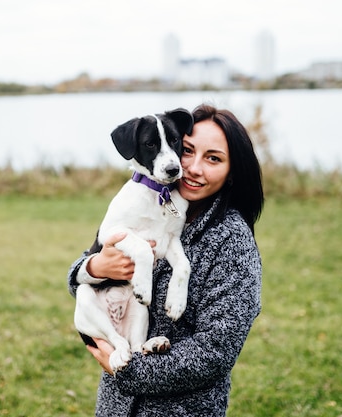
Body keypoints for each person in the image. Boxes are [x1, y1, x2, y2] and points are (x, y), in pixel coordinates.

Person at [67, 103, 264, 416]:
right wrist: (91, 268)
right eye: (188, 150)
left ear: (232, 171)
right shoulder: (158, 201)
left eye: (213, 158)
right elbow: (85, 280)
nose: (192, 167)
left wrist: (130, 371)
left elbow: (214, 353)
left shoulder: (232, 242)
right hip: (117, 406)